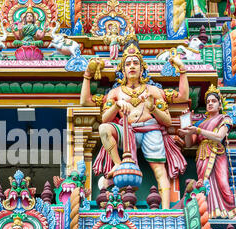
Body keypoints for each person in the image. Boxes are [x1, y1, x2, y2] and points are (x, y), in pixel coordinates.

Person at [81, 41, 188, 209]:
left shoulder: (153, 91)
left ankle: (166, 210)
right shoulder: (115, 93)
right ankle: (118, 164)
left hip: (150, 129)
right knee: (104, 129)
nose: (132, 66)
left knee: (160, 171)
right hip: (126, 131)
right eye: (128, 64)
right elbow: (94, 110)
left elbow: (178, 103)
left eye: (136, 63)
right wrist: (88, 76)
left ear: (142, 68)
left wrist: (182, 70)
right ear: (123, 70)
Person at [178, 85, 236, 219]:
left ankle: (231, 213)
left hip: (217, 154)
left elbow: (219, 137)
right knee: (205, 184)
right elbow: (189, 143)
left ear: (219, 104)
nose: (210, 104)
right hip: (202, 155)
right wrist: (188, 129)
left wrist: (197, 130)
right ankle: (208, 213)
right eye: (208, 102)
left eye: (214, 101)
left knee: (222, 182)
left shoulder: (224, 119)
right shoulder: (200, 123)